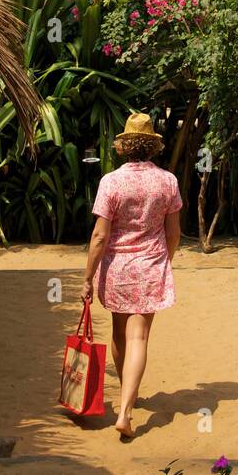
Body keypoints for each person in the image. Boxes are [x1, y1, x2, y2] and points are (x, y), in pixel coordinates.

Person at [81, 113, 182, 439]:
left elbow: (99, 236)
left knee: (119, 334)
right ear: (152, 147)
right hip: (150, 266)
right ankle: (126, 410)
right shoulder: (168, 182)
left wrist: (87, 276)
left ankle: (127, 395)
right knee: (139, 337)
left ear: (124, 146)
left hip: (117, 269)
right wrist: (165, 260)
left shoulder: (110, 182)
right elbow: (174, 233)